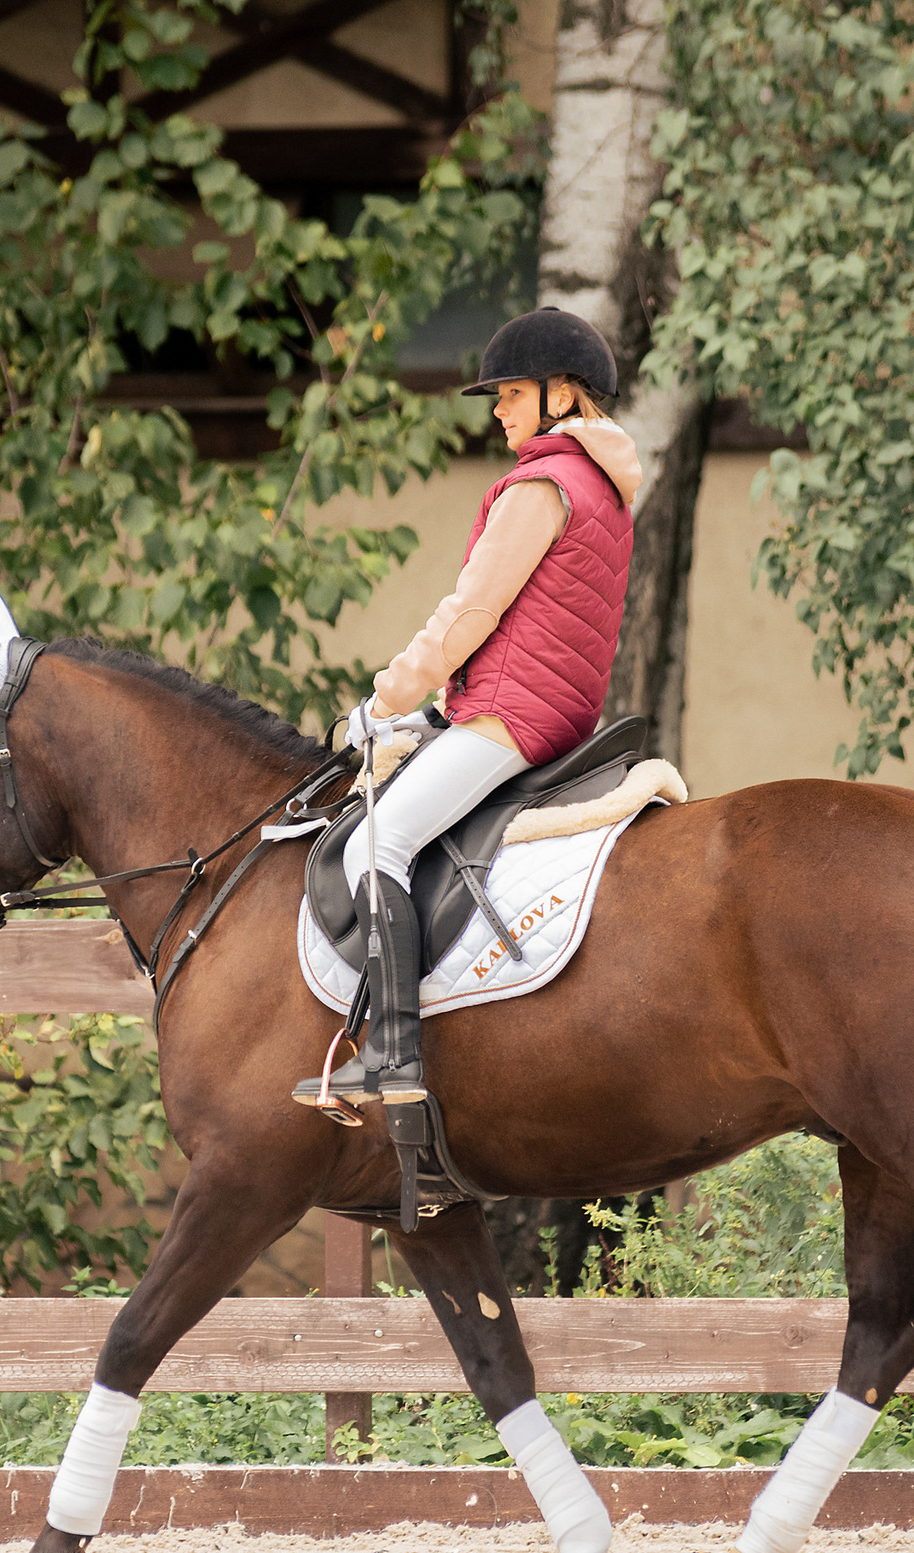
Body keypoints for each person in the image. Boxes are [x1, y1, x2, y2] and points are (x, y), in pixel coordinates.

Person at [293, 306, 643, 1111]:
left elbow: (469, 615)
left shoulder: (542, 485)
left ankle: (392, 1053)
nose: (498, 411)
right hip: (549, 708)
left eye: (512, 393)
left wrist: (386, 699)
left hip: (513, 714)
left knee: (374, 844)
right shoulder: (603, 487)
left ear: (562, 394)